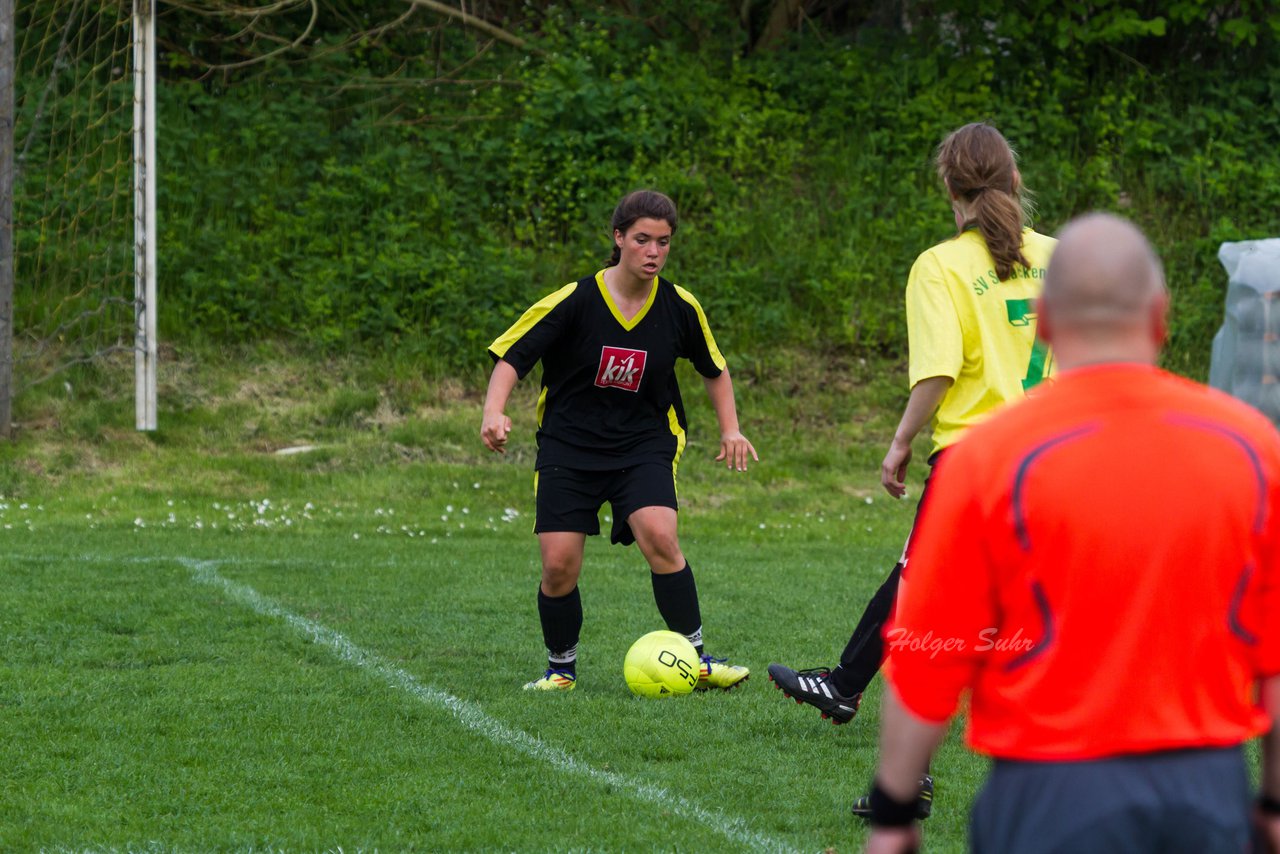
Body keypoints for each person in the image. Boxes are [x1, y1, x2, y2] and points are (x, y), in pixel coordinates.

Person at [863, 213, 1280, 854]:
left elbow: (927, 657)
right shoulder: (1252, 450)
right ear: (1161, 316)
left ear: (1049, 323)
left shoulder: (987, 460)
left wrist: (894, 813)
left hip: (1049, 795)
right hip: (1205, 793)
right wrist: (1273, 801)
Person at [768, 121, 1056, 815]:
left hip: (980, 457)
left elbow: (937, 372)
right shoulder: (1062, 255)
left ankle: (899, 757)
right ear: (1014, 181)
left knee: (929, 597)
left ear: (949, 189)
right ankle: (847, 686)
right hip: (1058, 454)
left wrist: (899, 443)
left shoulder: (940, 265)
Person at [481, 189, 758, 692]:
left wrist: (730, 428)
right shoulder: (574, 300)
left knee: (660, 537)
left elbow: (714, 368)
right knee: (559, 565)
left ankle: (696, 660)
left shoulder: (679, 306)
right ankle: (560, 669)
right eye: (643, 240)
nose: (654, 252)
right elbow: (512, 357)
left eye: (664, 242)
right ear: (619, 238)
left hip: (643, 442)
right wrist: (493, 411)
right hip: (569, 444)